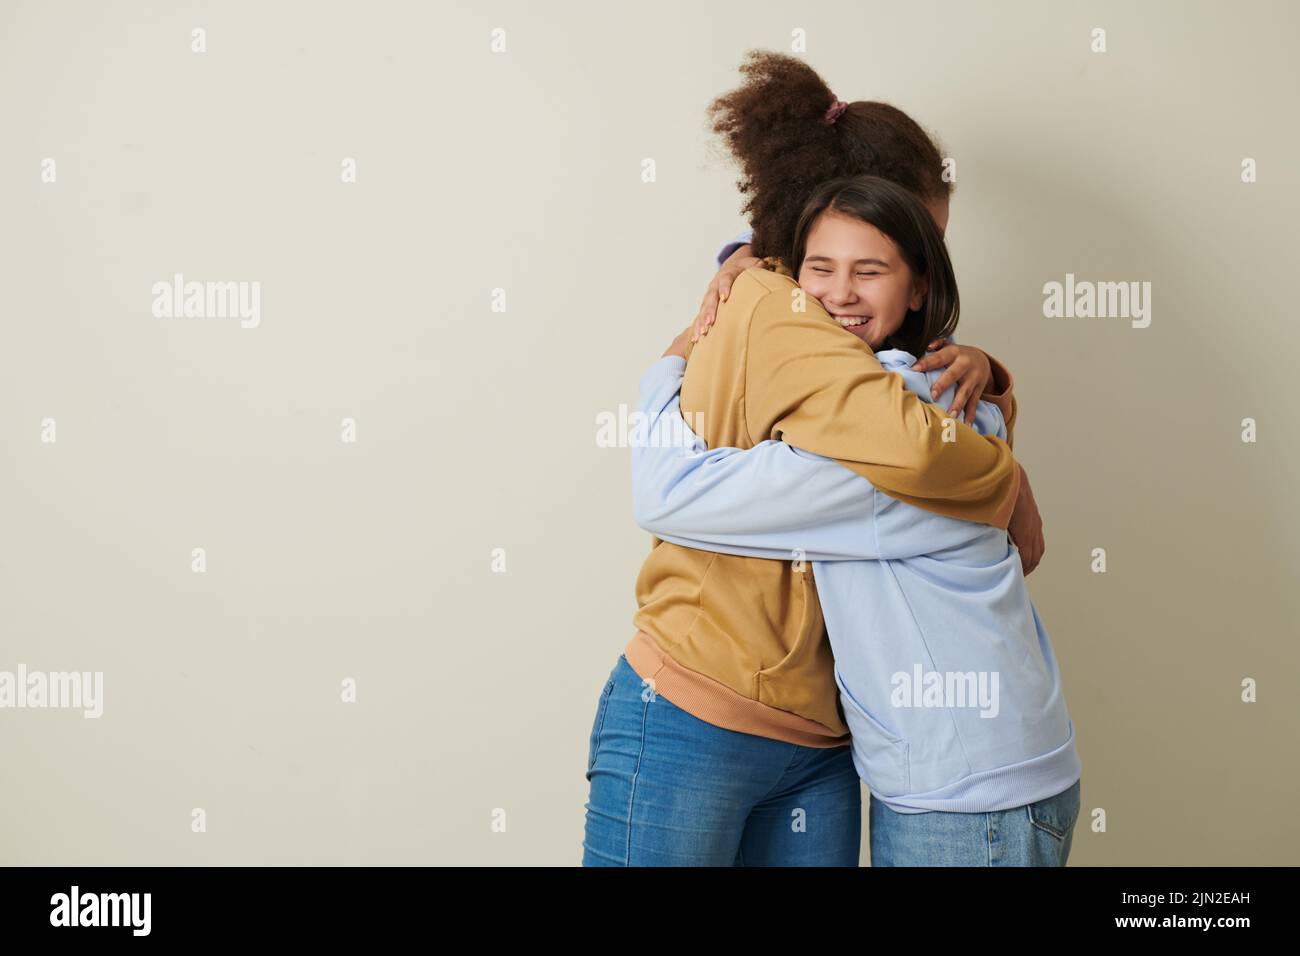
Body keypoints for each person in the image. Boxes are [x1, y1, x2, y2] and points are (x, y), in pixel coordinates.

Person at [582, 51, 1041, 866]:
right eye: (927, 238)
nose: (930, 271)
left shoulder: (810, 310)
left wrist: (987, 376)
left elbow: (907, 400)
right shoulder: (783, 309)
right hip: (700, 712)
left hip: (821, 739)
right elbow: (914, 448)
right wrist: (1004, 480)